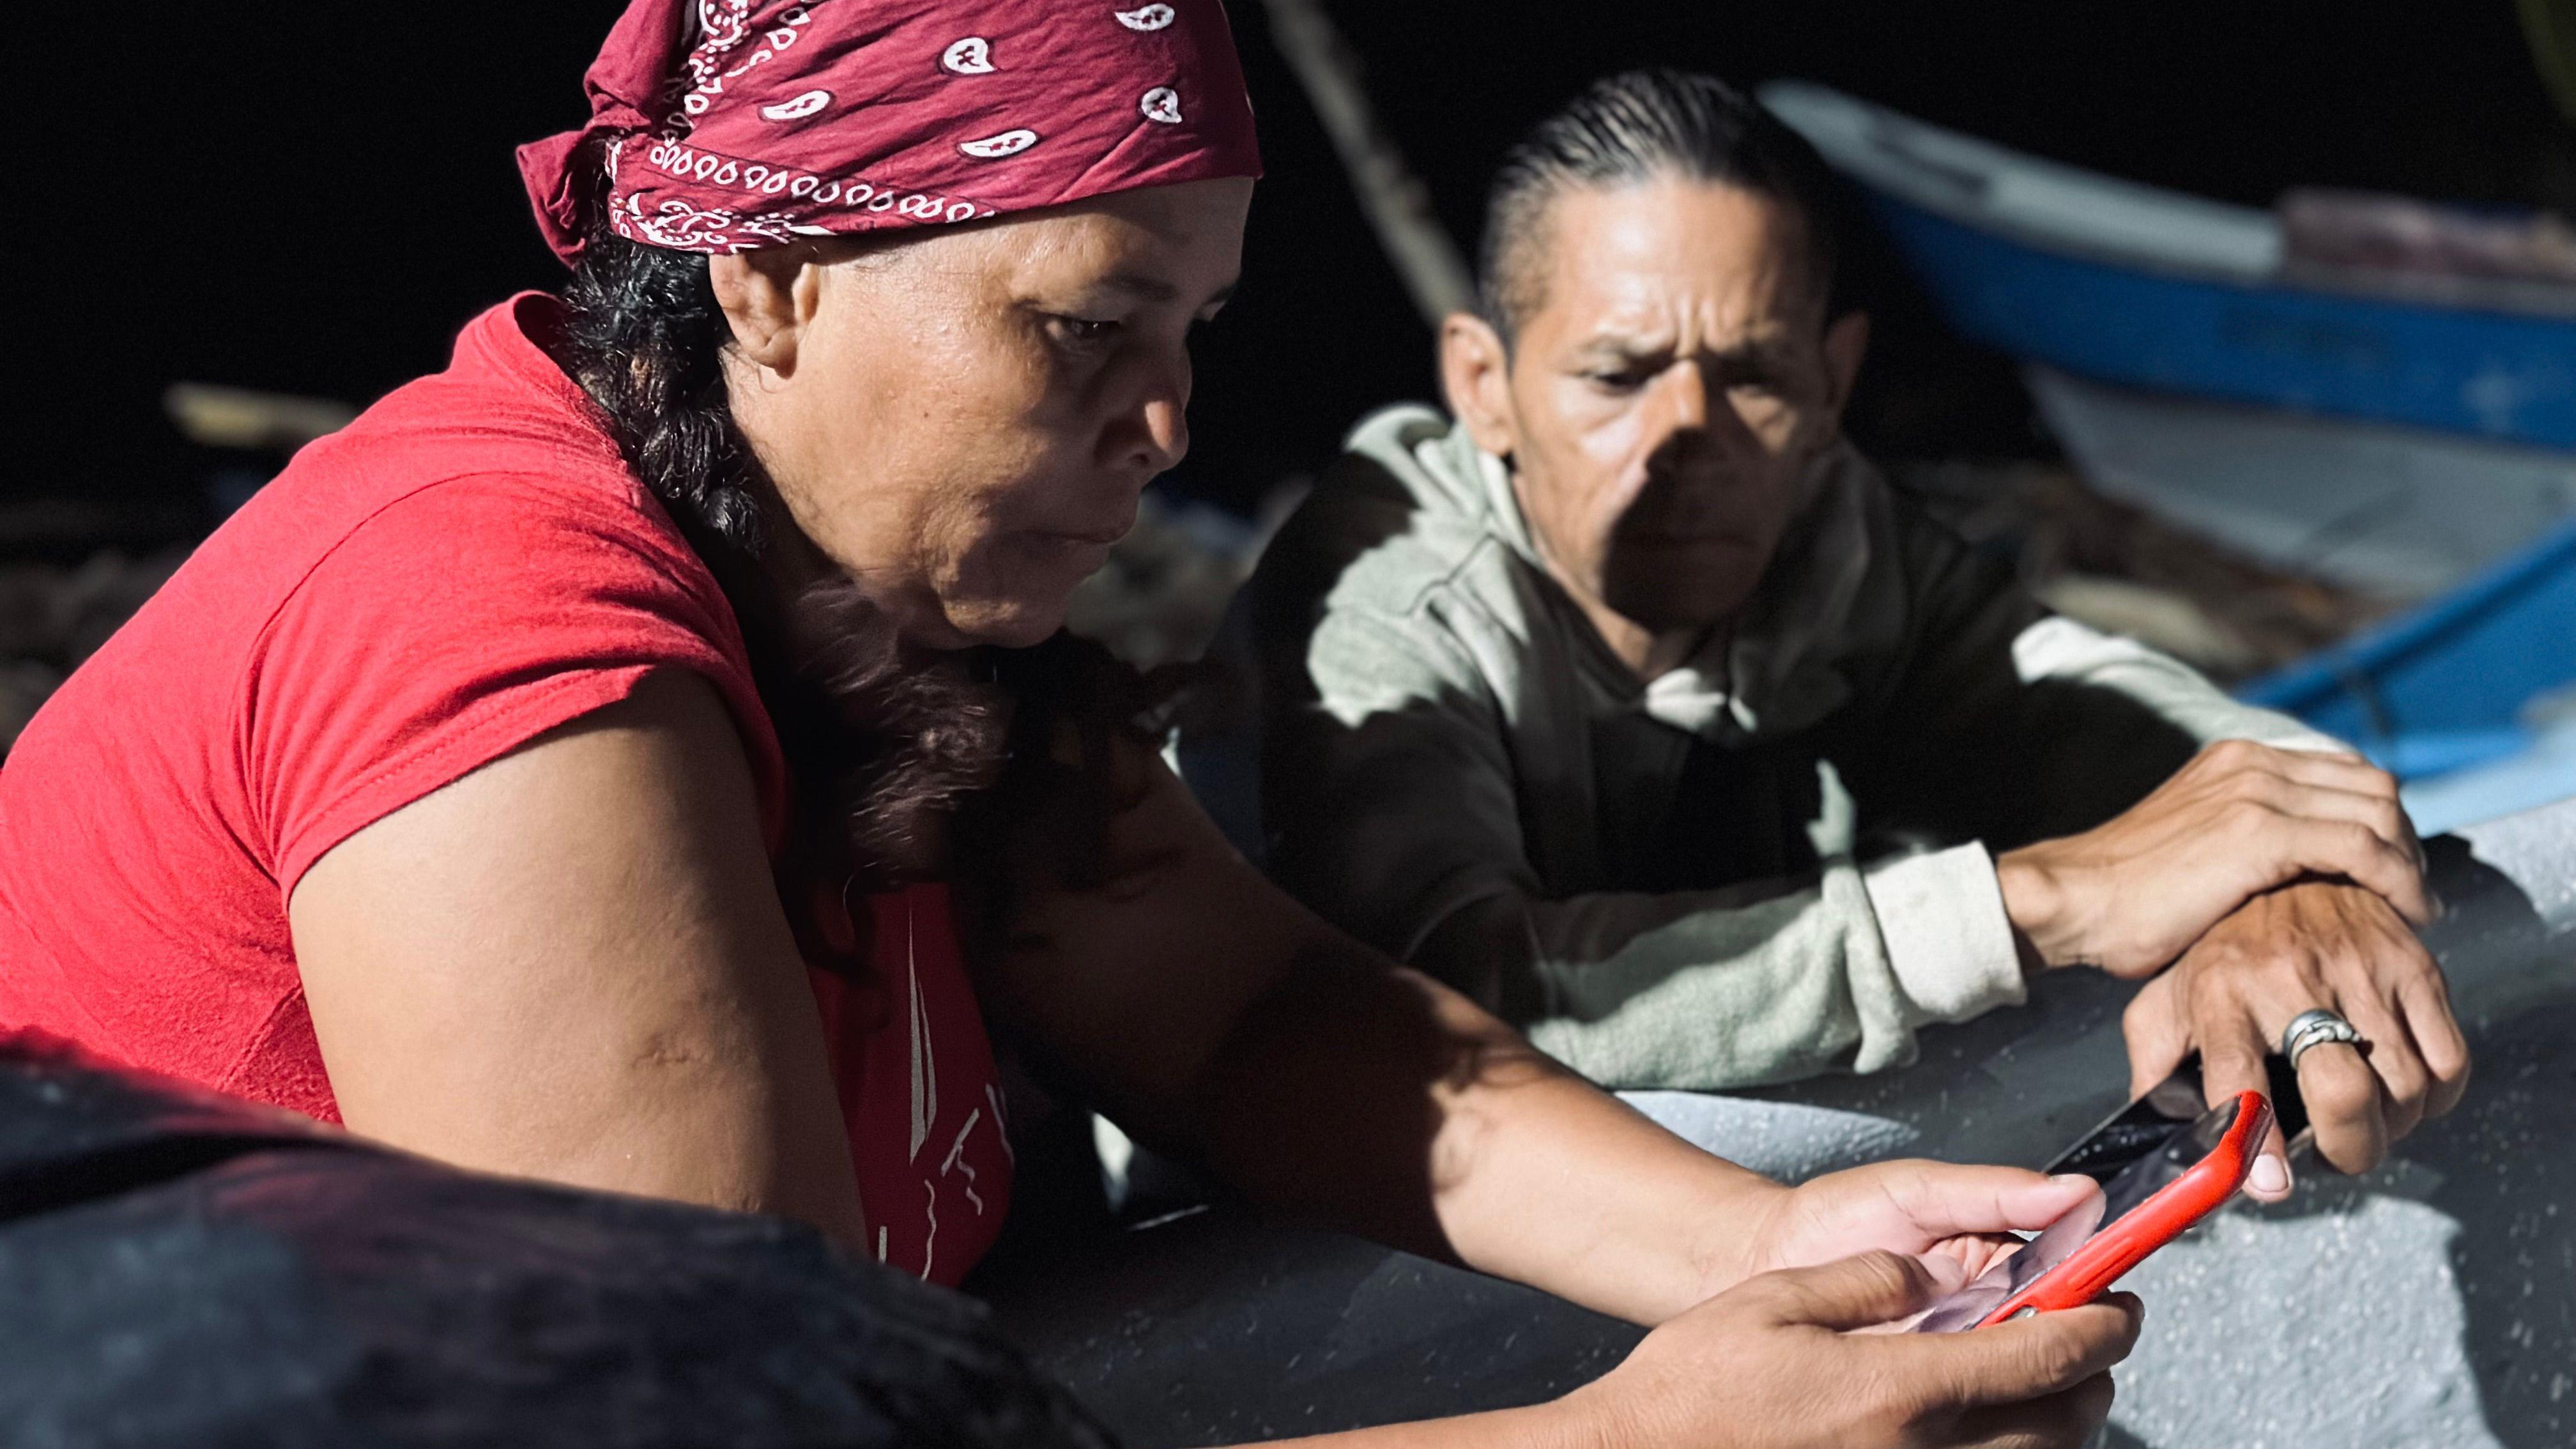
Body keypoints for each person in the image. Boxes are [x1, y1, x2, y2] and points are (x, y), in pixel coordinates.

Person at [0, 6, 2134, 1446]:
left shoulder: (885, 581)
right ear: (772, 283)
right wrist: (1627, 1432)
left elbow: (1260, 1019)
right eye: (1082, 325)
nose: (1167, 424)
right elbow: (734, 1417)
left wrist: (1771, 1244)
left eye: (1192, 329)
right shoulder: (498, 633)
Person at [1218, 69, 2469, 1198]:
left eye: (1753, 376)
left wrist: (2282, 893)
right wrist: (2042, 904)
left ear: (1832, 387)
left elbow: (2110, 715)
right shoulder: (1379, 602)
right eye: (1617, 375)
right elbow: (1428, 998)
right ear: (1485, 386)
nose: (1685, 438)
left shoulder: (1837, 544)